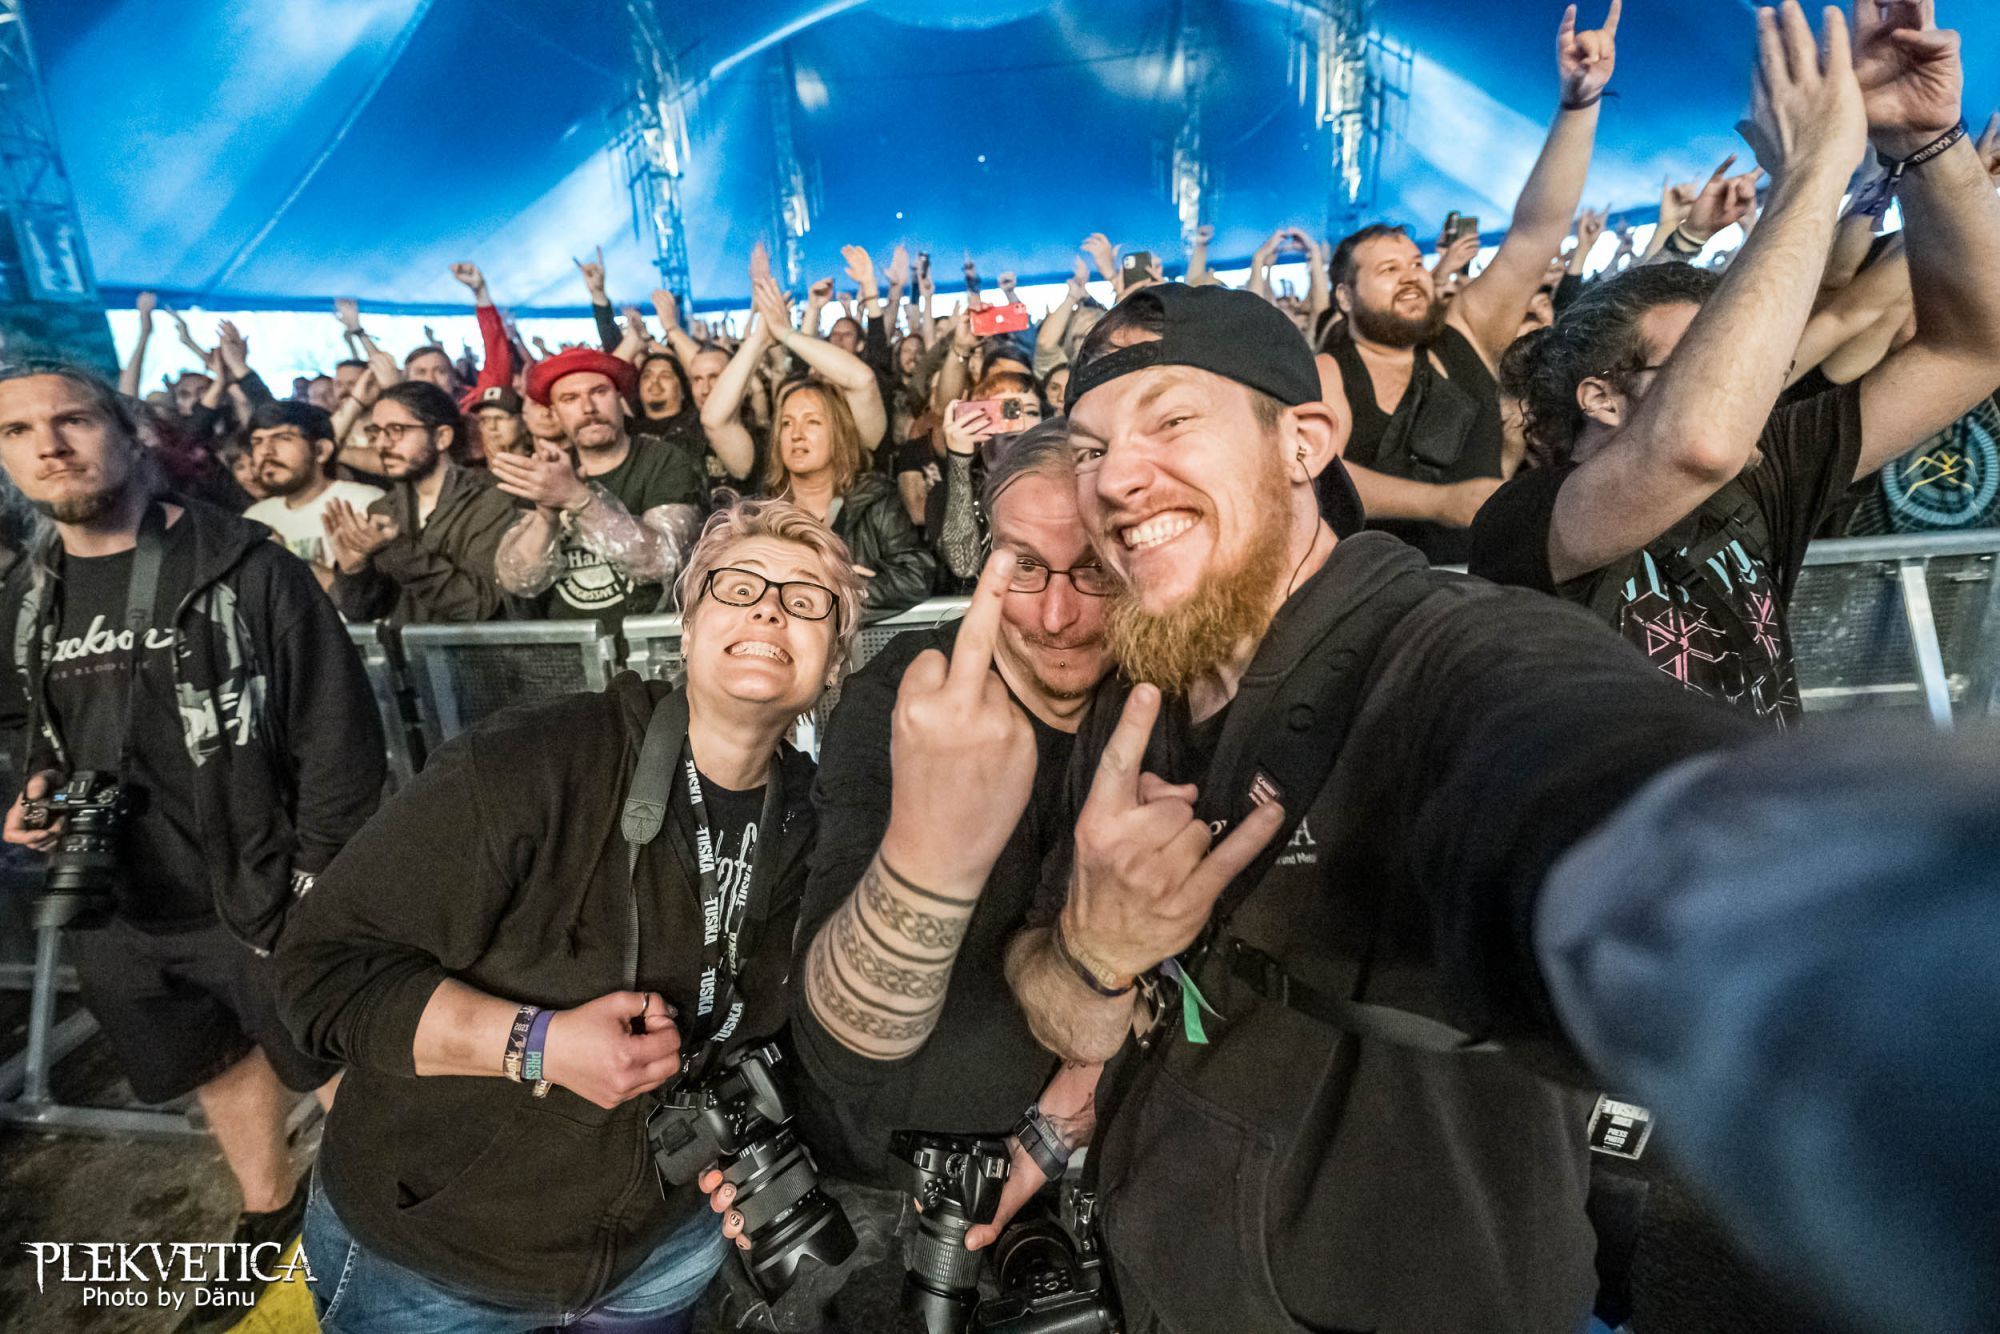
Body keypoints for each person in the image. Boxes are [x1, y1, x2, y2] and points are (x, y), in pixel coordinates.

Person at [276, 499, 862, 1334]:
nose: (769, 609)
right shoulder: (535, 761)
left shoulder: (825, 823)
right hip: (441, 1261)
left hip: (665, 1257)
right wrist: (538, 1042)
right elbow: (321, 973)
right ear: (687, 627)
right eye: (739, 587)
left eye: (805, 600)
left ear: (834, 662)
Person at [1471, 0, 2000, 728]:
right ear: (1603, 397)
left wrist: (1929, 142)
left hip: (1768, 801)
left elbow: (1974, 348)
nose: (1743, 387)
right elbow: (1695, 447)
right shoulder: (1522, 524)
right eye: (1702, 365)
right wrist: (1814, 170)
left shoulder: (1765, 470)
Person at [0, 363, 383, 1328]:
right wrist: (33, 790)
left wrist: (314, 883)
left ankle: (393, 1218)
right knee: (210, 1058)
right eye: (16, 432)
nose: (48, 446)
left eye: (72, 419)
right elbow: (26, 726)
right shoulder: (28, 591)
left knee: (335, 1060)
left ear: (130, 431)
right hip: (121, 900)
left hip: (260, 881)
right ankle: (269, 1208)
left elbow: (339, 734)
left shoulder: (241, 565)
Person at [741, 427, 1112, 1316]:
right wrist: (931, 854)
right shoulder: (908, 691)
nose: (1057, 614)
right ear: (983, 560)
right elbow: (840, 1048)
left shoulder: (1170, 696)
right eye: (1025, 567)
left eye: (1094, 570)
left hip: (1078, 1177)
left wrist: (1058, 1128)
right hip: (877, 1183)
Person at [1320, 1, 1621, 562]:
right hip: (1387, 589)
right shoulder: (1328, 371)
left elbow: (1536, 232)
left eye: (1415, 264)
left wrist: (1578, 105)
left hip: (1492, 579)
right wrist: (1441, 503)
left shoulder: (1467, 330)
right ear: (1344, 297)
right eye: (1388, 270)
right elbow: (1321, 470)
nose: (1412, 277)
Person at [710, 265, 936, 617]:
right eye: (786, 423)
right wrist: (760, 339)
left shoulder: (873, 499)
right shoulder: (762, 508)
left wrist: (785, 333)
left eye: (812, 422)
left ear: (840, 433)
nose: (796, 433)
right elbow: (714, 419)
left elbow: (861, 379)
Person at [492, 347, 708, 624]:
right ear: (555, 414)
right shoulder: (546, 472)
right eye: (570, 399)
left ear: (619, 399)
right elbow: (518, 579)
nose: (588, 408)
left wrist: (578, 499)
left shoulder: (663, 460)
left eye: (599, 392)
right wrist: (546, 516)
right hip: (572, 642)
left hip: (645, 642)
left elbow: (664, 561)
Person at [325, 381, 518, 625]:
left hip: (472, 650)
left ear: (441, 437)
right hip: (407, 651)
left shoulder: (493, 499)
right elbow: (365, 612)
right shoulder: (384, 509)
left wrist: (396, 548)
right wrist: (354, 571)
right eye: (376, 432)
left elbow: (478, 605)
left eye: (396, 430)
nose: (382, 444)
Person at [241, 401, 385, 595]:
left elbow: (377, 598)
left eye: (283, 438)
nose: (265, 451)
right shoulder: (255, 517)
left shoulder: (364, 503)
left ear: (321, 450)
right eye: (257, 441)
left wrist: (287, 560)